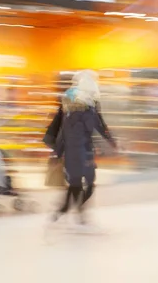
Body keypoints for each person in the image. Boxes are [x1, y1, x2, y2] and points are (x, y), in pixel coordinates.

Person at [44, 70, 116, 227]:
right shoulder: (85, 111)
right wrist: (111, 142)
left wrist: (57, 153)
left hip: (74, 153)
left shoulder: (70, 109)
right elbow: (98, 126)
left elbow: (63, 133)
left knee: (77, 184)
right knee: (86, 184)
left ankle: (66, 212)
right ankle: (71, 212)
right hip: (82, 152)